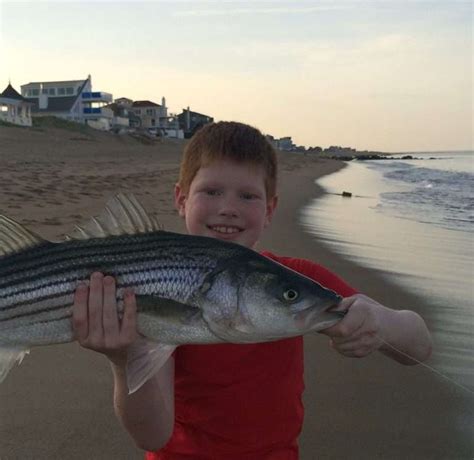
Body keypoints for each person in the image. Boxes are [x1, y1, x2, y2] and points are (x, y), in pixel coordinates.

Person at [72, 121, 432, 459]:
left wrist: (378, 322)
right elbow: (151, 436)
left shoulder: (294, 279)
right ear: (181, 199)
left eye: (247, 196)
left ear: (270, 208)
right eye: (211, 191)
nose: (228, 208)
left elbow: (419, 345)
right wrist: (123, 361)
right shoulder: (162, 289)